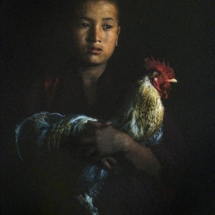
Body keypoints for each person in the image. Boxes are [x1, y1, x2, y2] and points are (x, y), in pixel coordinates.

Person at [16, 0, 188, 214]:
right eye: (84, 24)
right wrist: (76, 148)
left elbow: (166, 170)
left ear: (117, 35)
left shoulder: (138, 94)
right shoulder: (45, 89)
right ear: (64, 31)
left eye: (106, 26)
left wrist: (124, 144)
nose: (95, 36)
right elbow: (22, 160)